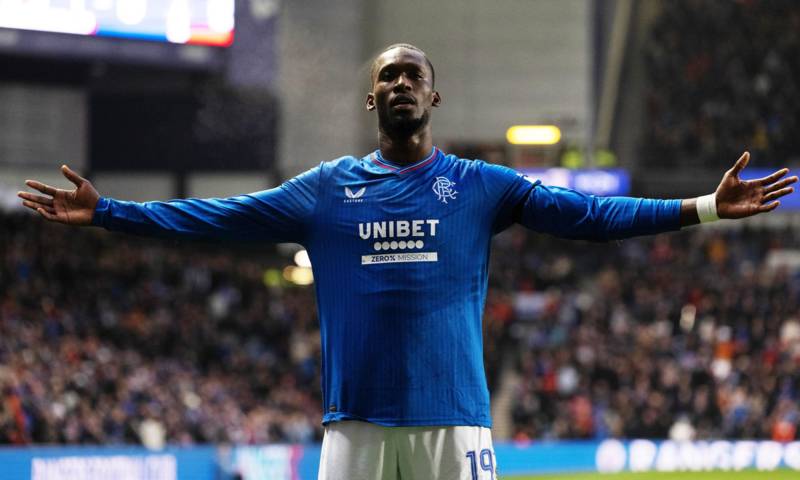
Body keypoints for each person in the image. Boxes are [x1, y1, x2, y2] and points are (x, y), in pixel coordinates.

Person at [18, 43, 797, 480]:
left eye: (412, 75)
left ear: (433, 98)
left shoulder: (480, 186)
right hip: (353, 427)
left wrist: (701, 207)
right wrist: (109, 213)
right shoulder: (325, 190)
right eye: (386, 76)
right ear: (373, 101)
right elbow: (213, 220)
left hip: (454, 422)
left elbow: (590, 217)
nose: (398, 84)